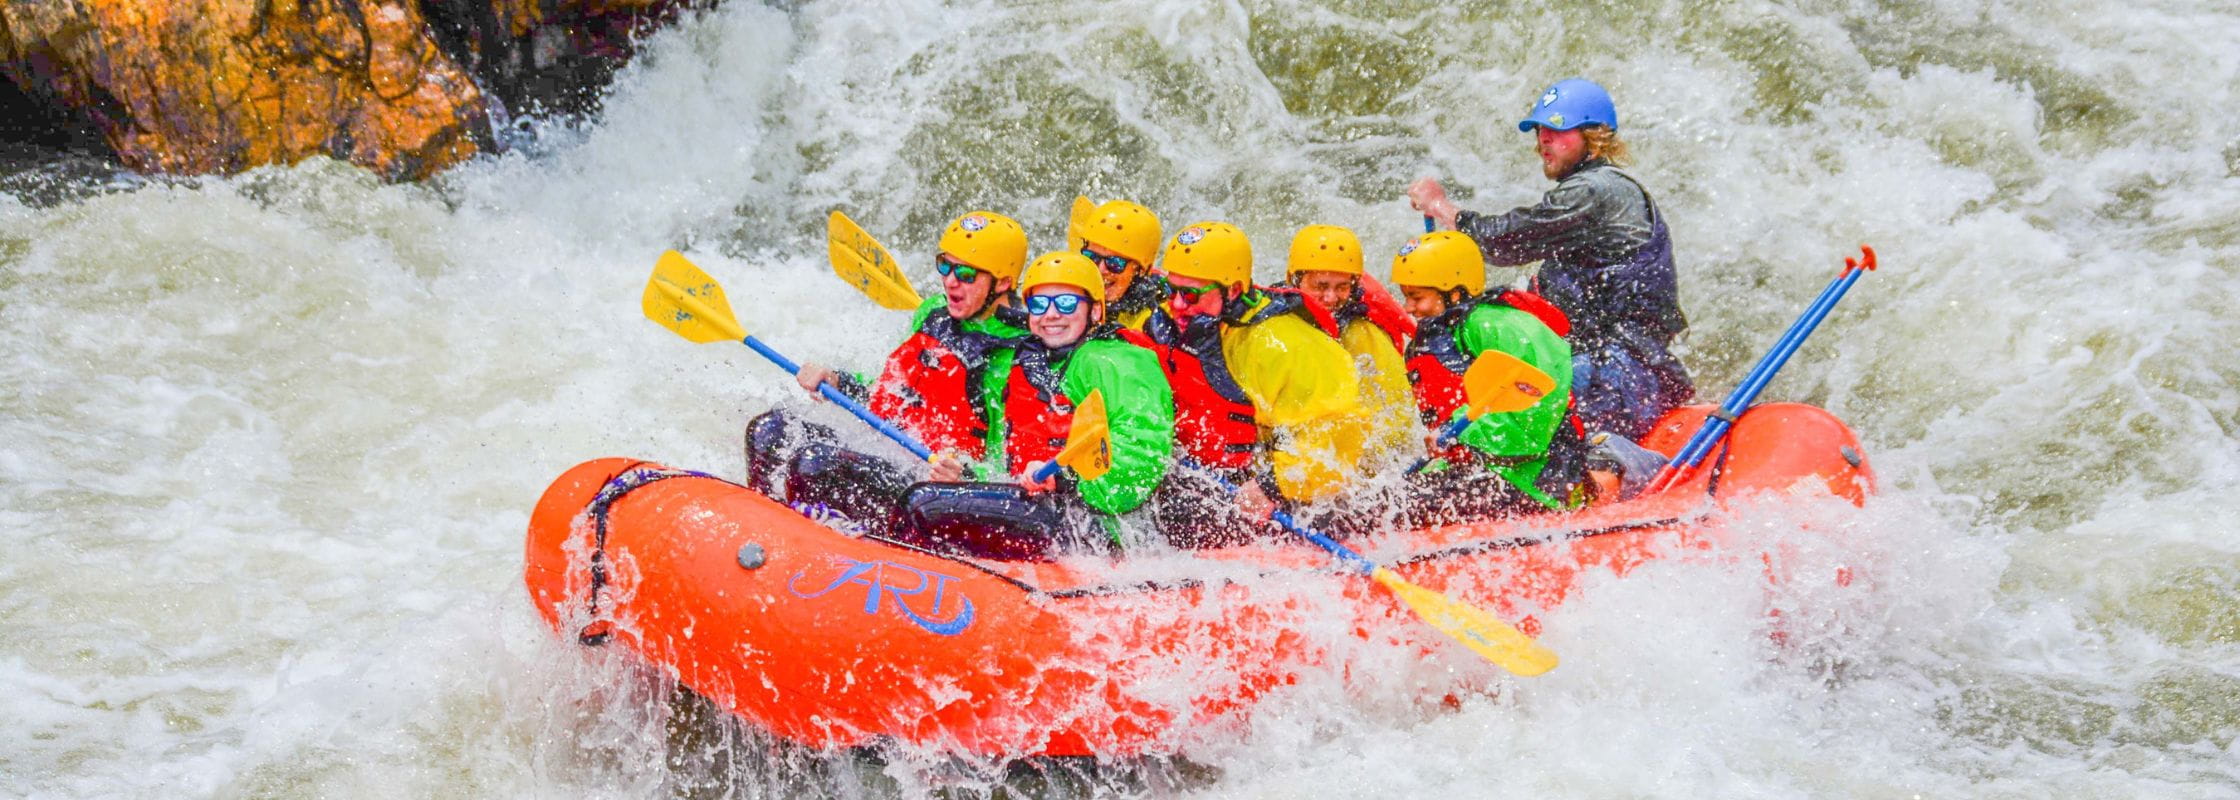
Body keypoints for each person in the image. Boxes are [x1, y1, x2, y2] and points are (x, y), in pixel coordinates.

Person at [1406, 77, 1692, 440]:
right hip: (1608, 364)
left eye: (1558, 130)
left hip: (1622, 371)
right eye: (1541, 130)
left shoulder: (1598, 190)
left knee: (1518, 426)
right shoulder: (1594, 191)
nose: (1544, 139)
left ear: (1594, 135)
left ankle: (1609, 466)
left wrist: (1443, 209)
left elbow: (1506, 241)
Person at [742, 210, 1030, 522]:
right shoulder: (934, 312)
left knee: (814, 464)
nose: (950, 281)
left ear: (1002, 283)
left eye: (967, 275)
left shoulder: (1017, 357)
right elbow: (890, 388)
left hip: (936, 486)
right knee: (769, 431)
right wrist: (837, 381)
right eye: (945, 265)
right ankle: (765, 527)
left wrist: (967, 473)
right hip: (888, 449)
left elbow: (1008, 469)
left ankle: (816, 541)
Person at [895, 251, 1177, 557]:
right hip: (1036, 507)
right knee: (908, 487)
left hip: (1097, 524)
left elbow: (1143, 455)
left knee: (923, 504)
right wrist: (967, 474)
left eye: (1066, 303)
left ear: (1095, 311)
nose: (1051, 314)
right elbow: (1002, 459)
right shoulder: (1029, 361)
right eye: (1040, 305)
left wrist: (1067, 480)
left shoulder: (1115, 361)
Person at [1131, 221, 1366, 547]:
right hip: (1214, 472)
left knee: (1185, 517)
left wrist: (1272, 487)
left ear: (1235, 290)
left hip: (1282, 490)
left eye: (1190, 294)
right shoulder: (1176, 325)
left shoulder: (1282, 343)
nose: (1178, 305)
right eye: (1172, 290)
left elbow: (1338, 434)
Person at [1391, 231, 1588, 521]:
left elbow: (1535, 414)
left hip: (1534, 484)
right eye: (1406, 296)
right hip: (1487, 473)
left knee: (1392, 509)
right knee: (1384, 500)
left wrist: (1459, 432)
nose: (1408, 308)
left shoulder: (1498, 326)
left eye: (1416, 297)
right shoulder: (1450, 329)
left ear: (1454, 292)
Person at [1286, 224, 1420, 470]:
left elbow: (1398, 426)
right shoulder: (1280, 321)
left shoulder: (1364, 335)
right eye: (1320, 286)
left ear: (1354, 285)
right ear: (1294, 280)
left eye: (1342, 287)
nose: (1330, 298)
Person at [1069, 199, 1167, 330]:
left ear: (1140, 270)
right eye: (1092, 257)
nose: (1100, 269)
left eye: (1115, 263)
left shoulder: (1154, 321)